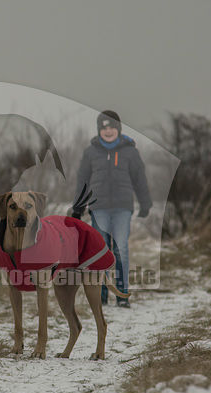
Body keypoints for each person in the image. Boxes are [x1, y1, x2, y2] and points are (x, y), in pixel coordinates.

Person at [72, 110, 152, 308]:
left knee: (121, 249)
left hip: (122, 207)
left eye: (112, 127)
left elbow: (139, 179)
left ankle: (122, 295)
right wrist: (78, 206)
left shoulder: (130, 152)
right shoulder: (90, 152)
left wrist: (146, 203)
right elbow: (82, 181)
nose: (108, 131)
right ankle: (102, 294)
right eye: (104, 127)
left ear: (118, 129)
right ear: (100, 129)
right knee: (101, 251)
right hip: (98, 208)